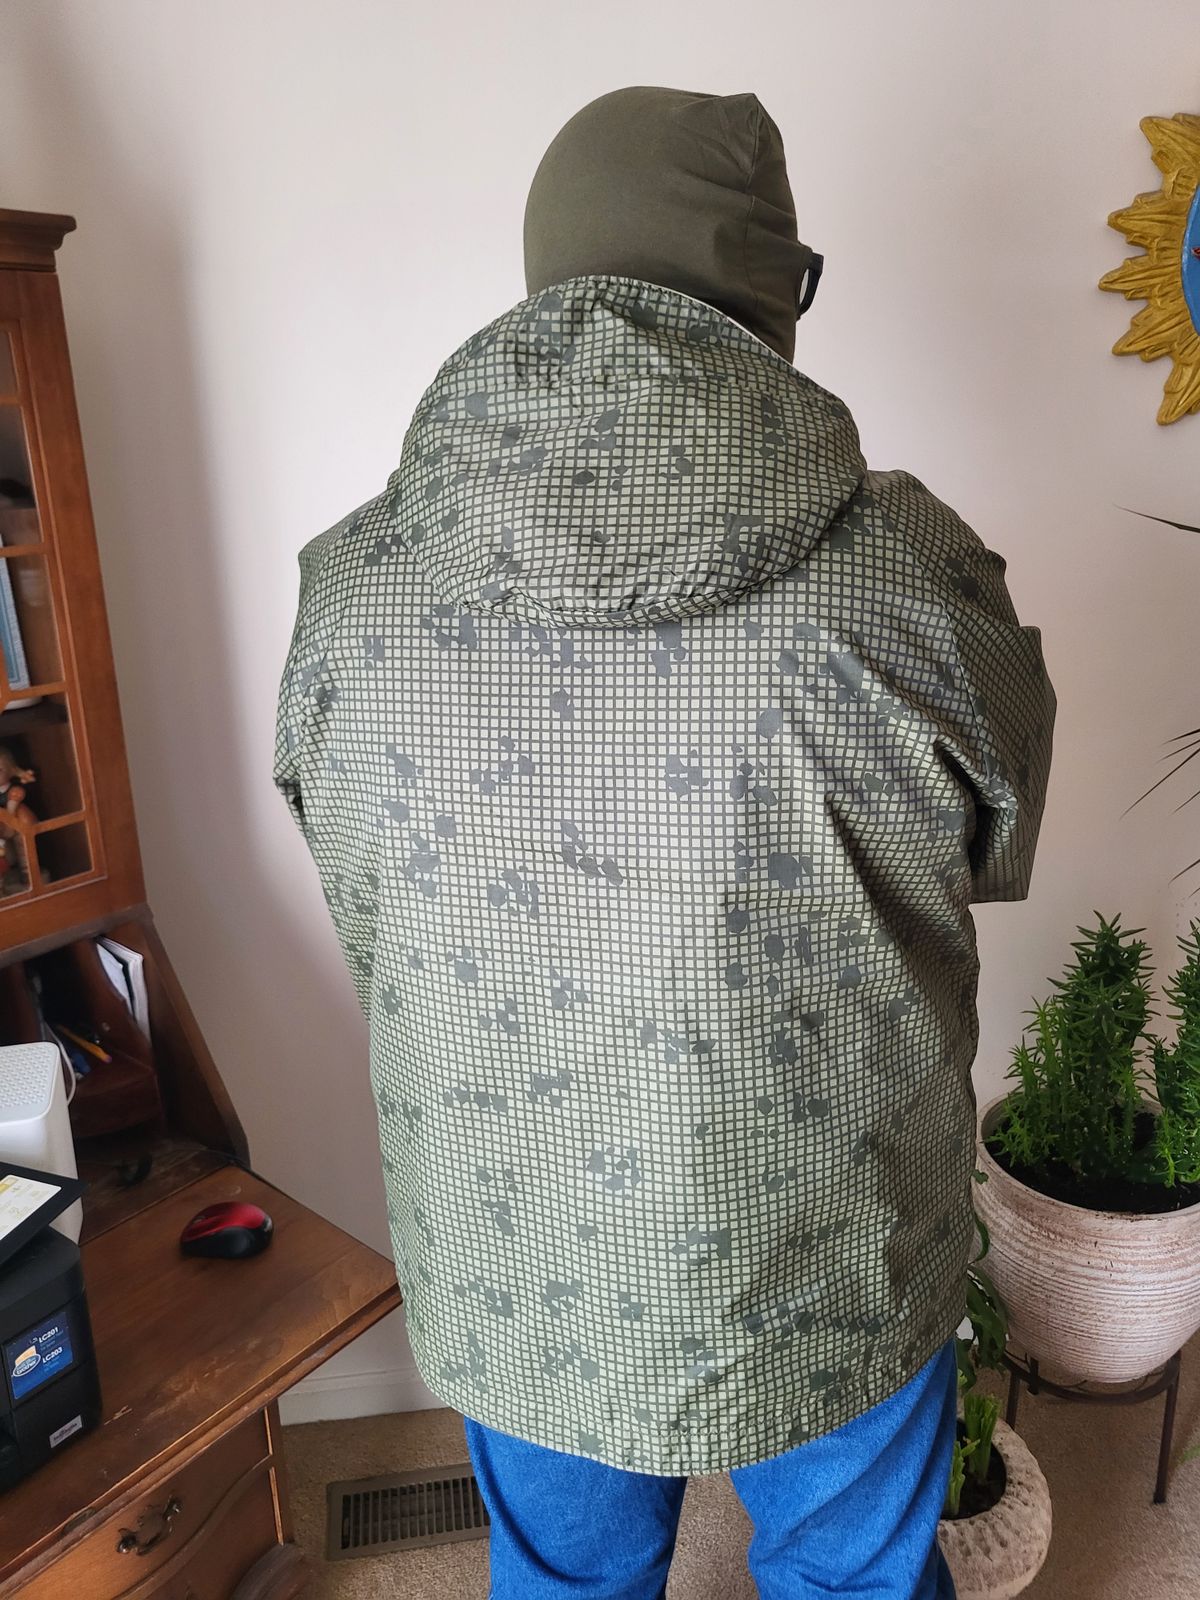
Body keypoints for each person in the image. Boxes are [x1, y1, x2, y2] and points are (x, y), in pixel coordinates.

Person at [273, 85, 1055, 1600]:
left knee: (566, 1584)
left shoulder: (352, 585)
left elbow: (352, 879)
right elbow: (996, 838)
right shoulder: (905, 569)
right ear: (769, 284)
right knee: (857, 1577)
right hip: (829, 1242)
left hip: (518, 1244)